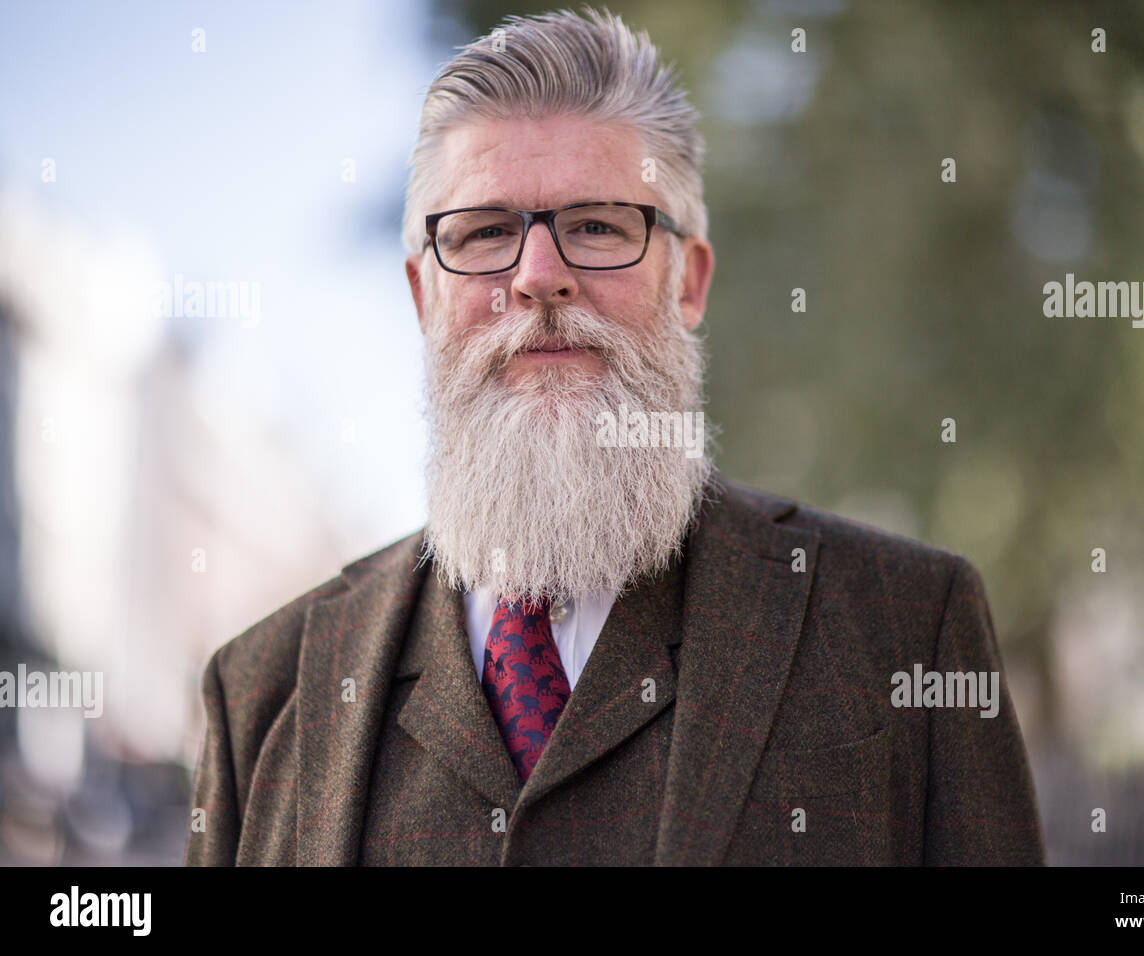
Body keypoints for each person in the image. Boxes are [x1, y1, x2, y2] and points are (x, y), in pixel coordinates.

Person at [185, 5, 1044, 866]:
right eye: (485, 233)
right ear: (421, 297)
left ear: (689, 280)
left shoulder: (904, 629)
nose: (538, 278)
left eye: (597, 226)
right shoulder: (261, 694)